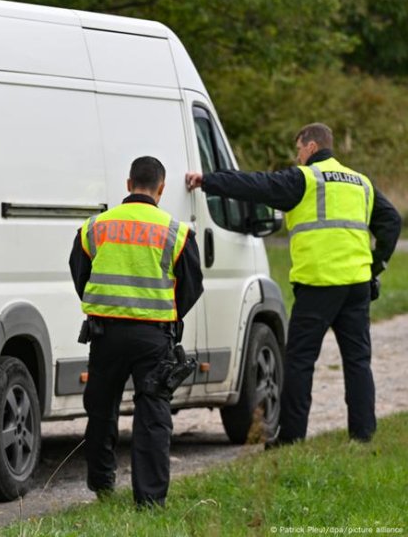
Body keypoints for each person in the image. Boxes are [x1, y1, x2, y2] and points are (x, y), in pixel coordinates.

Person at [186, 122, 401, 446]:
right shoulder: (361, 182)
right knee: (358, 361)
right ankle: (363, 435)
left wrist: (209, 181)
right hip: (356, 285)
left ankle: (291, 438)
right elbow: (392, 221)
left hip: (319, 284)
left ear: (311, 147)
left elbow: (256, 185)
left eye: (299, 149)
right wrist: (375, 265)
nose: (298, 156)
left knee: (300, 361)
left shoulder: (305, 179)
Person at [69, 156, 204, 508]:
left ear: (128, 185)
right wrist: (166, 316)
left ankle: (101, 484)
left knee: (101, 409)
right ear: (161, 188)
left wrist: (106, 306)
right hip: (154, 337)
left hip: (105, 333)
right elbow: (192, 286)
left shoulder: (94, 227)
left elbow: (80, 276)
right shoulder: (175, 232)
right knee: (153, 414)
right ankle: (150, 500)